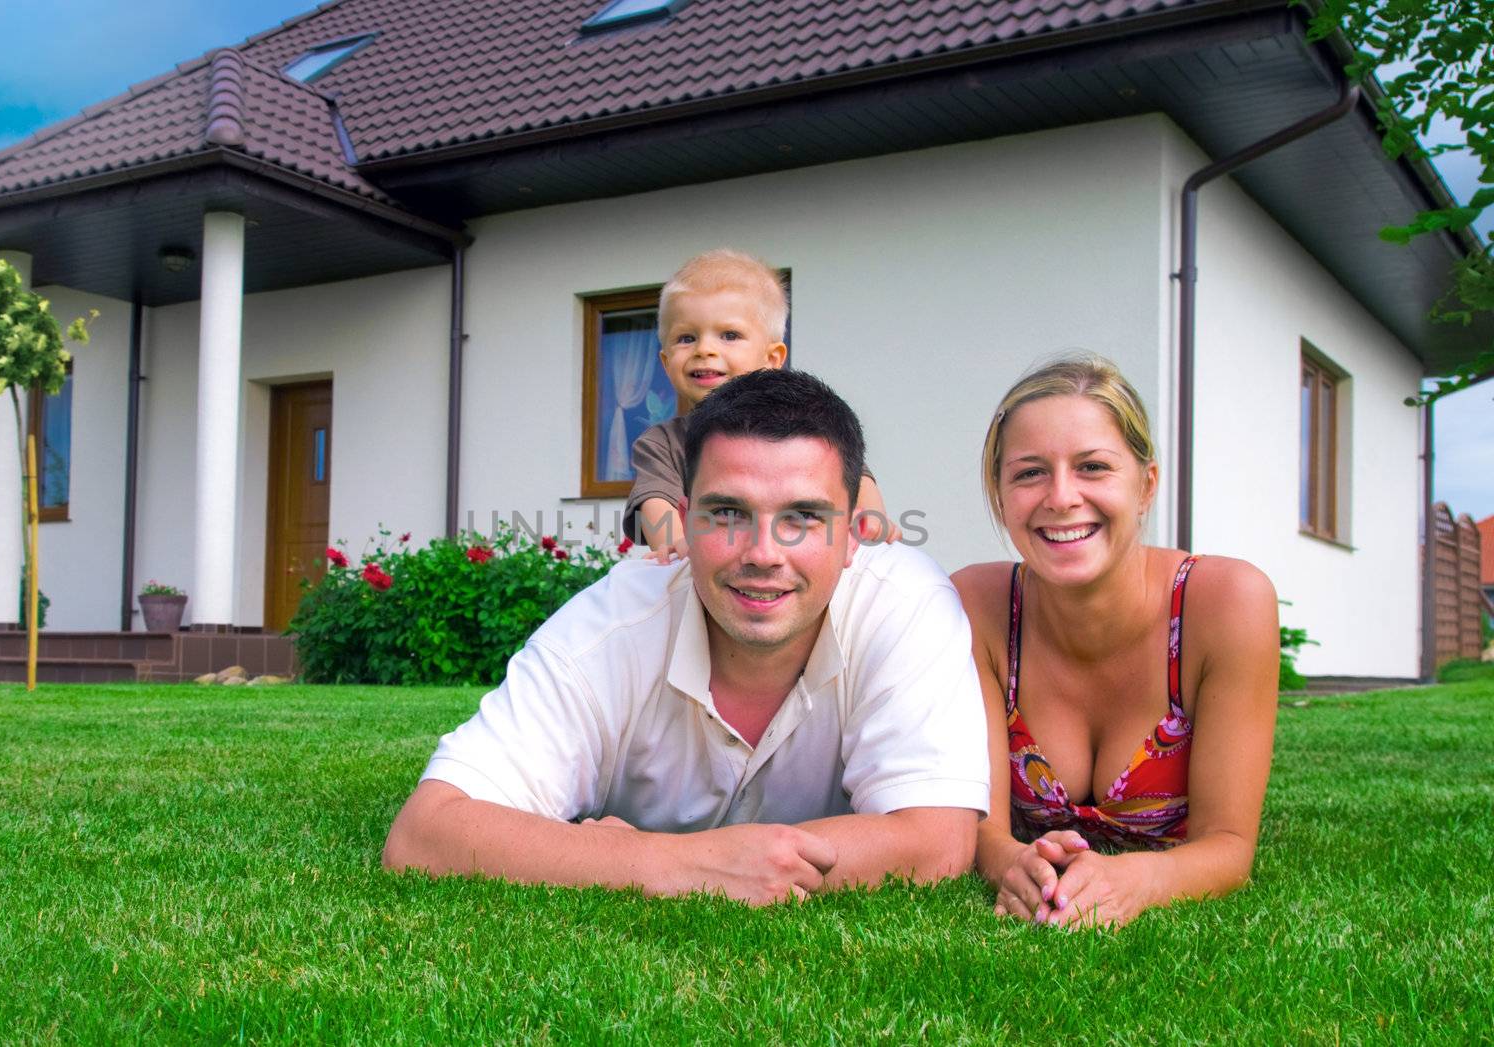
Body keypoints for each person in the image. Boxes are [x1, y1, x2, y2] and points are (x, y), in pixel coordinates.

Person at [384, 370, 990, 904]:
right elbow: (426, 833)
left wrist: (648, 858)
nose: (762, 554)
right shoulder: (608, 628)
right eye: (727, 514)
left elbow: (936, 840)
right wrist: (673, 866)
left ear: (855, 532)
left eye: (802, 518)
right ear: (685, 515)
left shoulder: (905, 605)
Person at [951, 354, 1279, 929]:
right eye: (1029, 472)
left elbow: (1229, 844)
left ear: (1146, 485)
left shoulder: (1226, 603)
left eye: (1093, 467)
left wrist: (1136, 880)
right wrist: (1011, 864)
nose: (1060, 496)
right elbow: (978, 823)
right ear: (1000, 495)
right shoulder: (977, 605)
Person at [625, 248, 896, 558]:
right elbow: (656, 503)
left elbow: (853, 474)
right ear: (665, 361)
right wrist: (676, 545)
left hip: (792, 559)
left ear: (772, 358)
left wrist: (871, 517)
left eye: (729, 335)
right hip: (711, 573)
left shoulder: (803, 425)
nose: (705, 349)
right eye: (686, 338)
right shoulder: (662, 444)